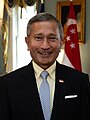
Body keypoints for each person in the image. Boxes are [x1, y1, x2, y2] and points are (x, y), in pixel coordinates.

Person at [0, 12, 90, 120]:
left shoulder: (79, 81)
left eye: (52, 38)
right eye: (38, 38)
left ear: (61, 42)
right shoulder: (8, 84)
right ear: (27, 42)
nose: (45, 46)